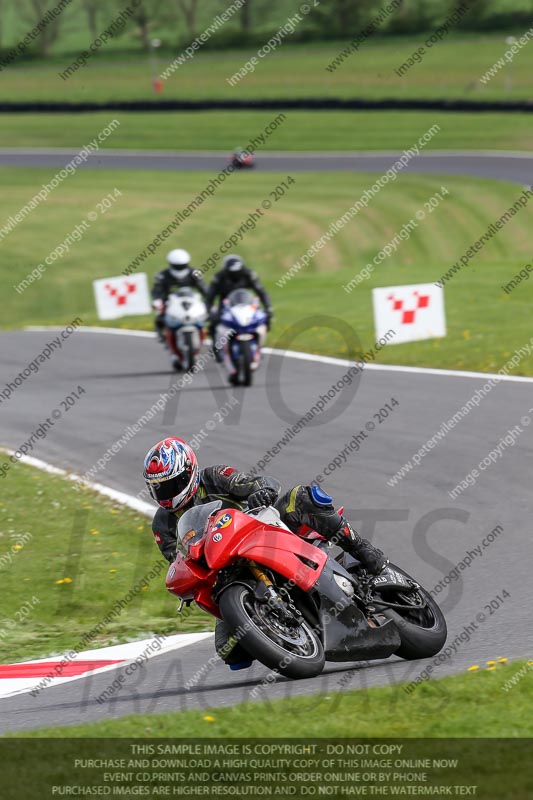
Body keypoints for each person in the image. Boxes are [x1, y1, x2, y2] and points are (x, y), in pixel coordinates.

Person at [143, 437, 388, 670]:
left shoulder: (215, 477)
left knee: (300, 498)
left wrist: (261, 492)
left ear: (189, 472)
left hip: (264, 532)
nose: (166, 493)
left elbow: (260, 482)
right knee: (229, 651)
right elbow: (178, 559)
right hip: (226, 572)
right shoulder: (162, 525)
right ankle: (285, 632)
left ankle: (364, 551)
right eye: (159, 488)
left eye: (171, 485)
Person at [206, 255, 273, 357]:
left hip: (247, 304)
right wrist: (209, 311)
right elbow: (210, 296)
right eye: (232, 274)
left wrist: (268, 308)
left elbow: (261, 292)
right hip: (226, 306)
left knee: (263, 318)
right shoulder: (219, 277)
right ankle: (216, 346)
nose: (235, 276)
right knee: (214, 321)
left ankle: (260, 344)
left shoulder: (249, 274)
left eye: (237, 274)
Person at [152, 249, 207, 342]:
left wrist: (208, 300)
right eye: (177, 266)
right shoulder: (162, 275)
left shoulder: (195, 273)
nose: (179, 268)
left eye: (181, 266)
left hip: (192, 301)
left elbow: (203, 288)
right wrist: (157, 300)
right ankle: (162, 335)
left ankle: (207, 333)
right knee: (159, 317)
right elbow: (157, 290)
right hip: (170, 302)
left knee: (212, 315)